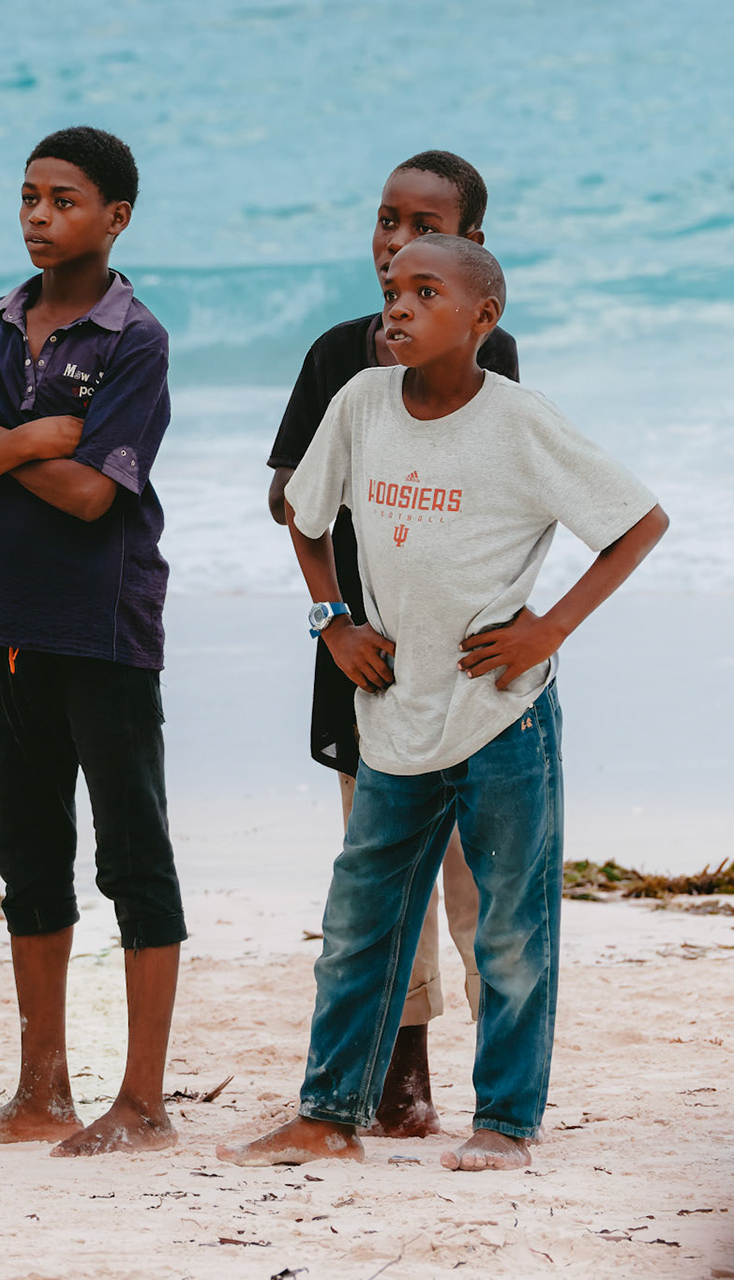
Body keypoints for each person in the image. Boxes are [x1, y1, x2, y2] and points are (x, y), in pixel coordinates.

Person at [219, 235, 667, 1172]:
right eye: (393, 290)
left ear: (482, 319)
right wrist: (333, 623)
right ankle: (328, 1116)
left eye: (426, 292)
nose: (400, 306)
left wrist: (550, 628)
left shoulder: (519, 423)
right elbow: (306, 520)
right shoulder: (358, 404)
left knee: (511, 929)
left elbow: (638, 524)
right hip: (392, 717)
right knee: (359, 926)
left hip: (503, 717)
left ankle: (504, 1124)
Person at [0, 127, 185, 1156]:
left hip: (103, 629)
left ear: (115, 218)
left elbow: (86, 494)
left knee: (134, 855)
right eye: (27, 196)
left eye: (63, 199)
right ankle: (40, 1089)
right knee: (29, 851)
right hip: (4, 622)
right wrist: (15, 436)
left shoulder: (134, 340)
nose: (38, 215)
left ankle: (143, 1101)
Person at [263, 152, 520, 1136]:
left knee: (479, 879)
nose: (396, 244)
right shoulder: (337, 356)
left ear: (472, 251)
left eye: (422, 226)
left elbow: (502, 494)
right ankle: (404, 1080)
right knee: (385, 876)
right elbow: (293, 498)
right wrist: (335, 619)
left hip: (468, 665)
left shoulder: (494, 358)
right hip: (365, 661)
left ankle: (503, 1088)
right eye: (385, 221)